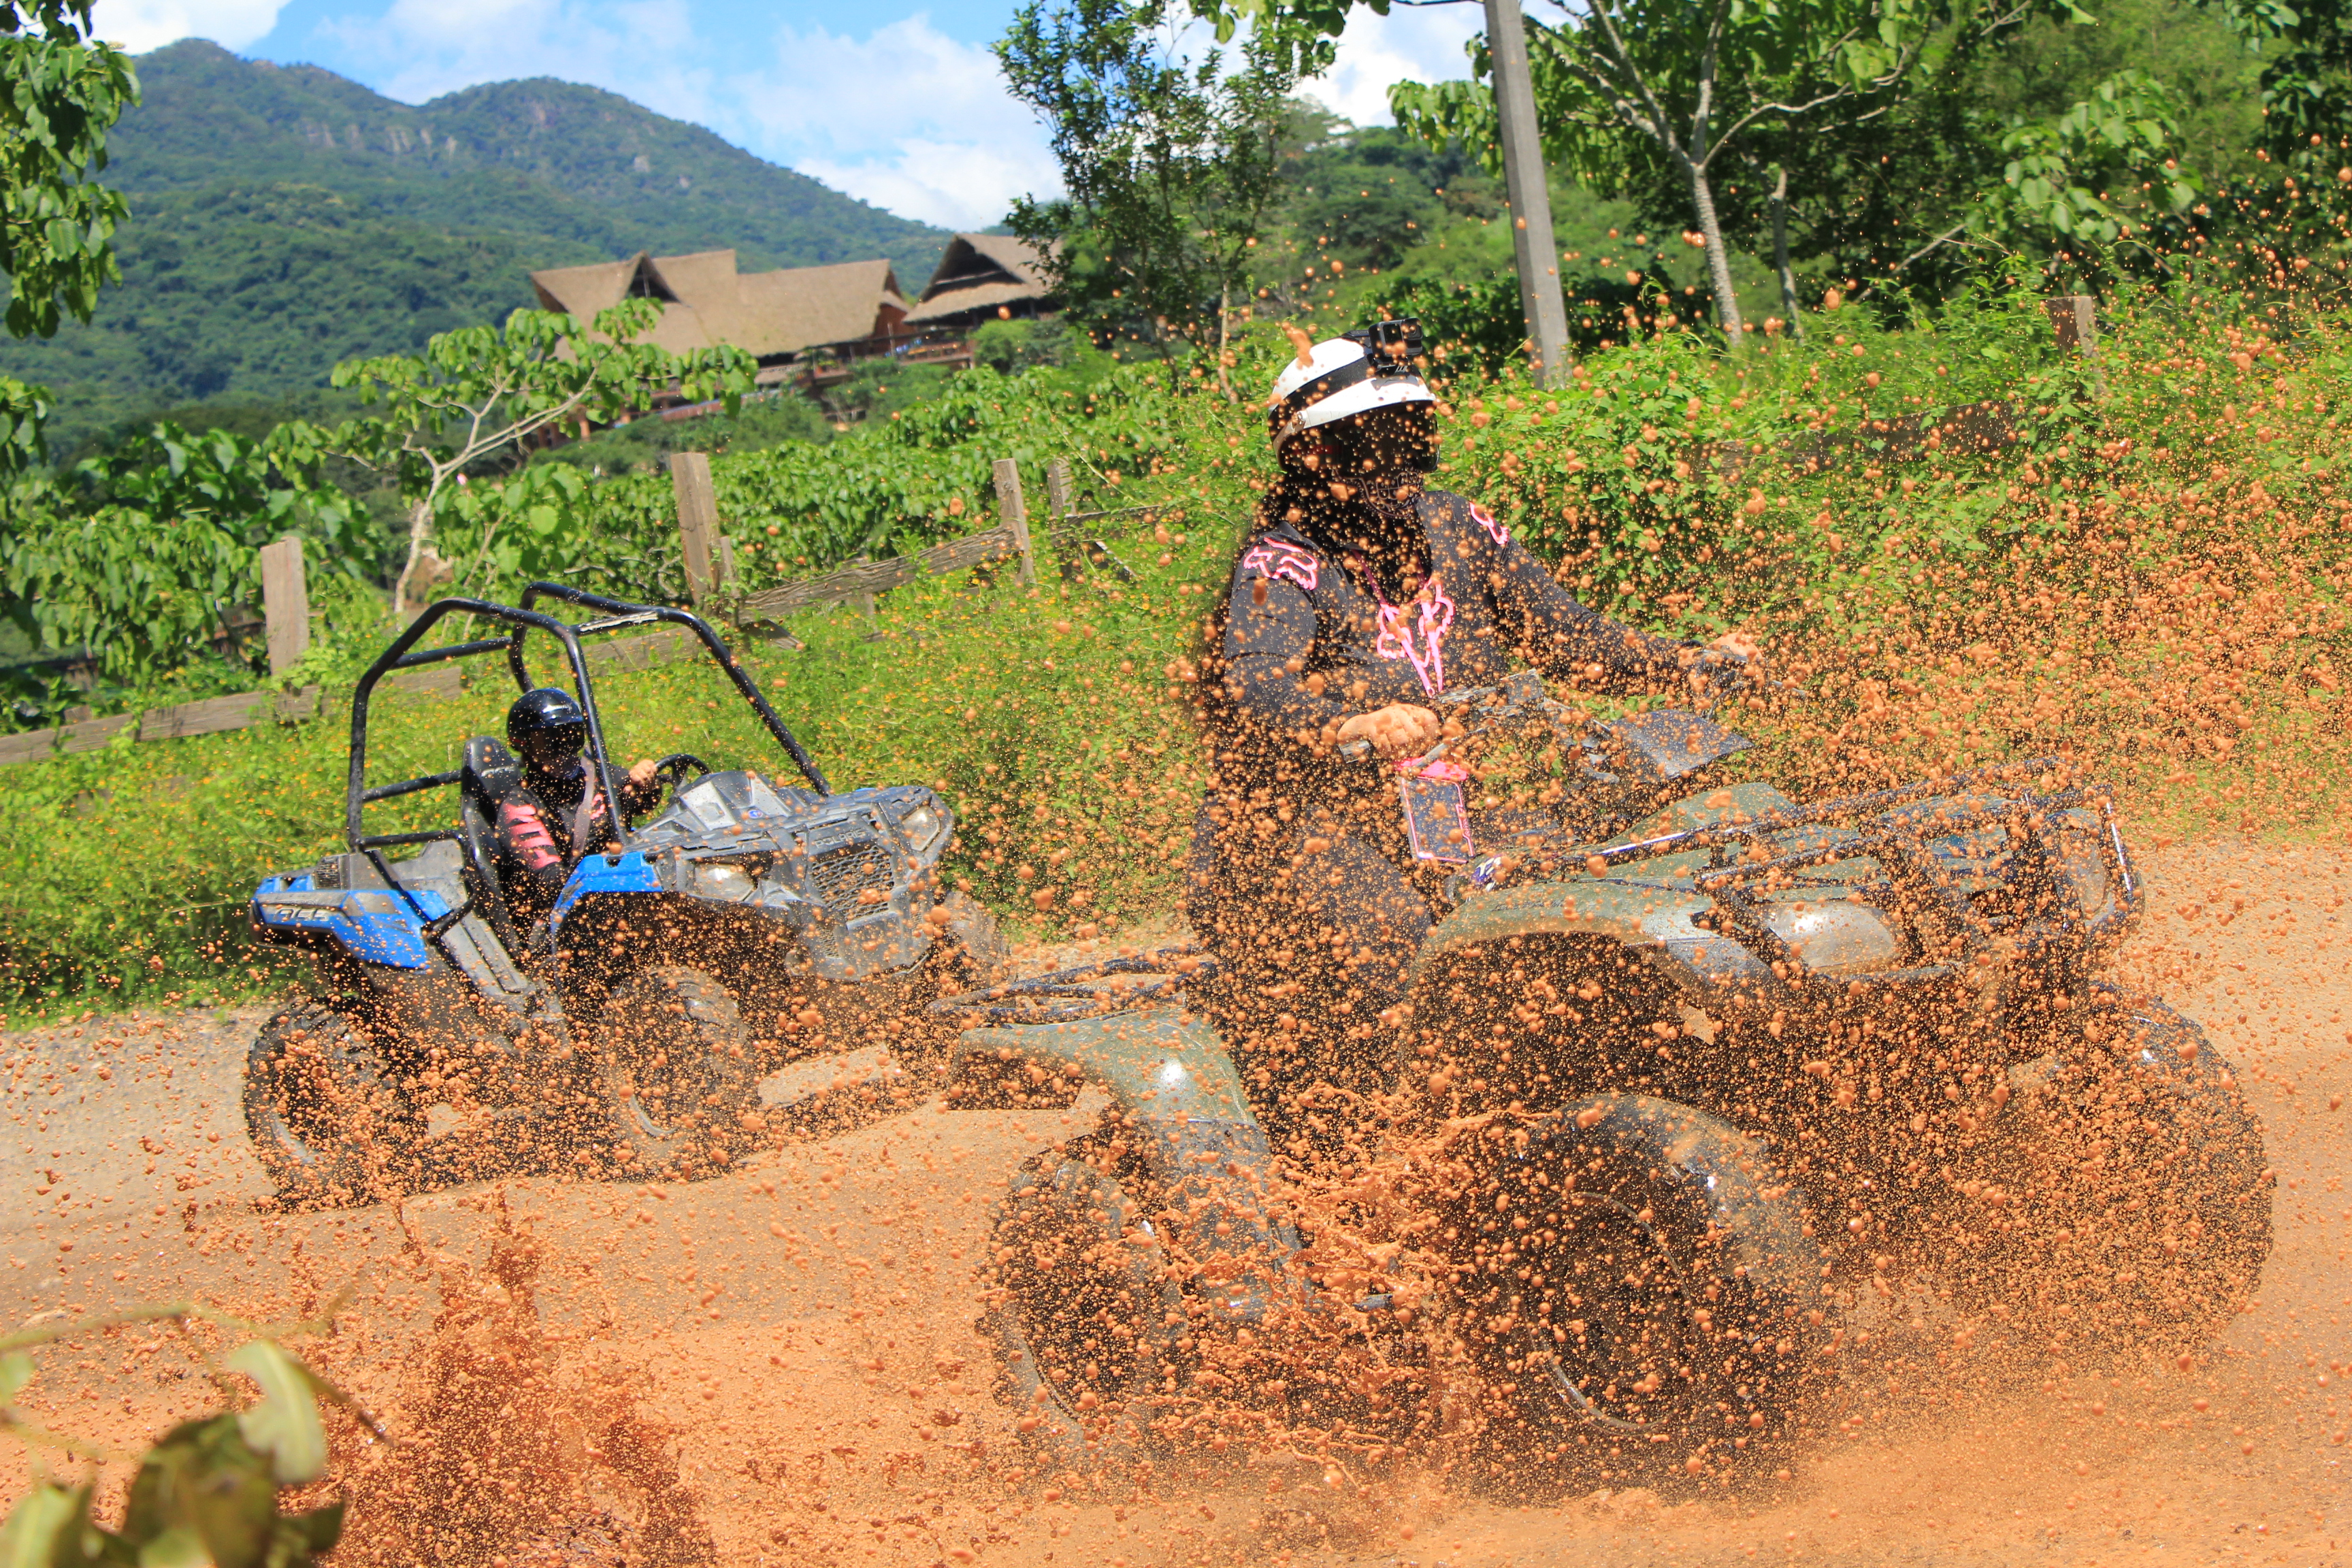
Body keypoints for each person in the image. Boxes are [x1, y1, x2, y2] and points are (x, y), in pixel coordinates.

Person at [1186, 321, 1757, 1154]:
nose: (1394, 461)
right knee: (1404, 956)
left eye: (1406, 435)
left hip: (1443, 808)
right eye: (1367, 441)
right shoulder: (1280, 561)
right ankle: (1401, 1168)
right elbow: (1254, 686)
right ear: (1312, 455)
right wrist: (1350, 722)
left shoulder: (1460, 526)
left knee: (1574, 903)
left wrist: (1690, 665)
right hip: (1298, 829)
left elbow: (1572, 637)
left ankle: (1575, 1121)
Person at [484, 687, 665, 922]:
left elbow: (643, 802)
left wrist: (647, 781)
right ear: (523, 745)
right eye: (550, 742)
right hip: (567, 919)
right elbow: (555, 883)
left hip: (625, 893)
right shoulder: (519, 807)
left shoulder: (598, 776)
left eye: (572, 736)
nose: (564, 749)